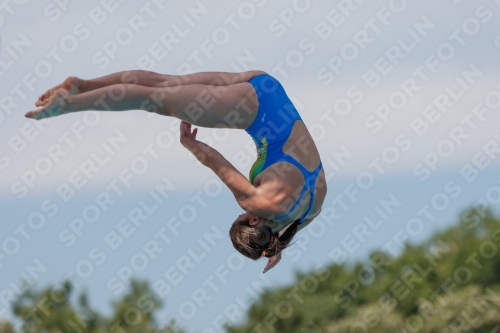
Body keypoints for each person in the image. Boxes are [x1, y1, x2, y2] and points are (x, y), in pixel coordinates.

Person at [25, 70, 327, 273]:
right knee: (156, 101)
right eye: (240, 216)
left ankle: (82, 85)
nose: (241, 211)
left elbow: (290, 229)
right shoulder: (259, 205)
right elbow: (215, 163)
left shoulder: (311, 210)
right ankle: (70, 103)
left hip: (264, 84)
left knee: (165, 83)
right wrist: (189, 144)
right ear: (251, 220)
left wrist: (274, 250)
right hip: (254, 108)